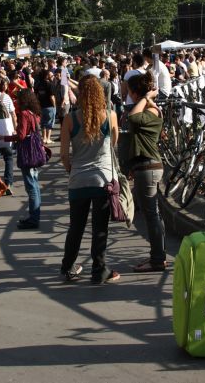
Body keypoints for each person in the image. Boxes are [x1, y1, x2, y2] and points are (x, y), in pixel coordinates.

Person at [59, 76, 120, 285]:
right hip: (102, 178)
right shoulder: (110, 115)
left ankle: (68, 266)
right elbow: (114, 142)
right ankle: (99, 269)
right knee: (100, 227)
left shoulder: (70, 119)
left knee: (75, 227)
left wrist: (72, 170)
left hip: (78, 179)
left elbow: (64, 155)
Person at [125, 71, 167, 273]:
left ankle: (158, 259)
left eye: (130, 92)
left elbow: (132, 118)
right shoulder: (149, 110)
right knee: (153, 214)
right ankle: (158, 255)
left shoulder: (151, 112)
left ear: (135, 93)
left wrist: (145, 98)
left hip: (149, 166)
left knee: (151, 215)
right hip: (146, 166)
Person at [14, 89, 45, 230]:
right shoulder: (34, 114)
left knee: (31, 186)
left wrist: (5, 136)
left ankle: (34, 218)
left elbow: (21, 135)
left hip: (27, 153)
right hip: (35, 153)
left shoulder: (24, 114)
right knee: (35, 185)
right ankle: (35, 215)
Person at [34, 69, 57, 145]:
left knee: (43, 123)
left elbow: (36, 96)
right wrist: (54, 106)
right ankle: (48, 138)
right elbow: (52, 96)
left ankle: (44, 138)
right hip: (49, 106)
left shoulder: (38, 84)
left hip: (41, 106)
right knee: (49, 123)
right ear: (46, 75)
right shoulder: (49, 84)